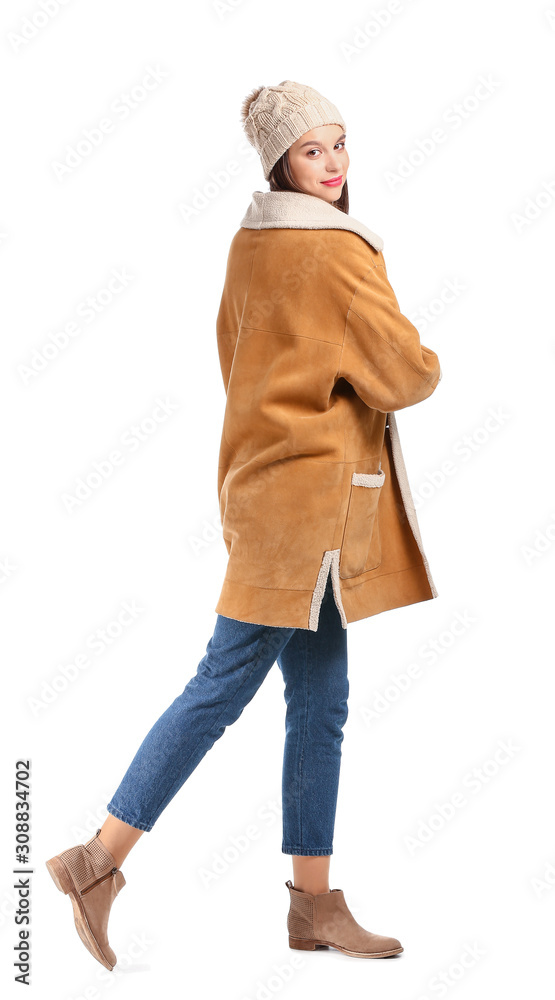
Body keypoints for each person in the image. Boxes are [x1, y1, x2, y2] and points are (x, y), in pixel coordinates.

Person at [45, 79, 442, 969]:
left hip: (268, 498)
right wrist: (425, 356)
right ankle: (95, 862)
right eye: (312, 149)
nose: (333, 164)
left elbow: (240, 367)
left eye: (339, 143)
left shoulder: (248, 243)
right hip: (311, 513)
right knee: (220, 687)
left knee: (320, 701)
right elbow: (405, 375)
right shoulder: (335, 254)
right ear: (280, 160)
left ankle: (312, 905)